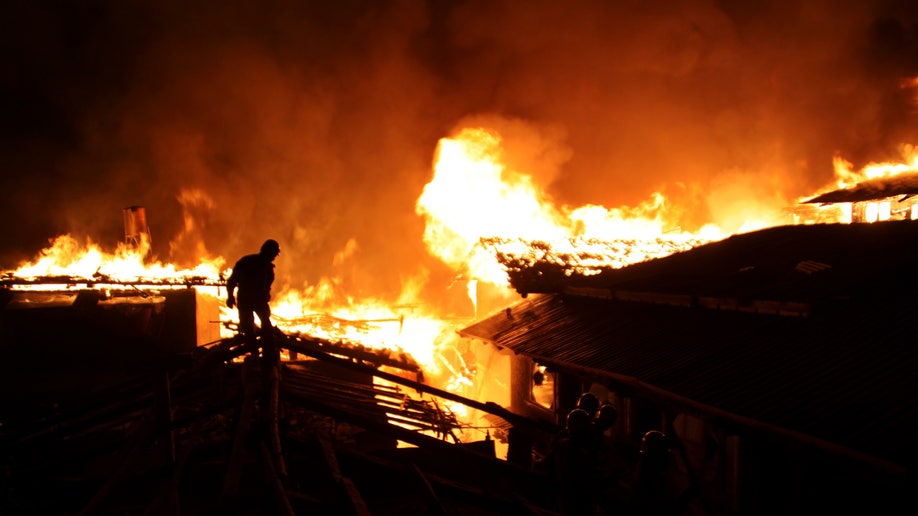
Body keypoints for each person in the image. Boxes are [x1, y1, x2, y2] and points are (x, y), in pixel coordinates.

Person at [226, 239, 281, 362]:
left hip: (258, 300)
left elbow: (267, 285)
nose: (274, 257)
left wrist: (266, 294)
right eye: (273, 254)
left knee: (266, 326)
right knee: (248, 327)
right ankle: (255, 354)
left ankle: (268, 353)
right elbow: (232, 281)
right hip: (246, 300)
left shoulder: (268, 268)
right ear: (268, 252)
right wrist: (230, 296)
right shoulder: (247, 262)